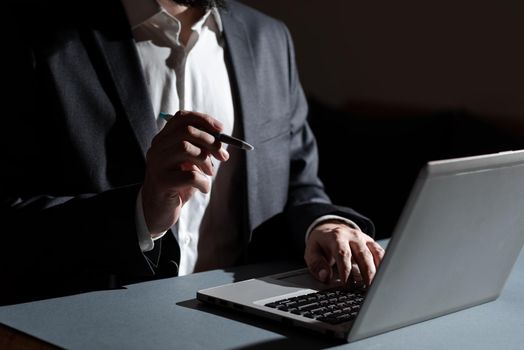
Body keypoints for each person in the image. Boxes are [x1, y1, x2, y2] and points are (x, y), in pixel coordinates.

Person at [0, 0, 384, 303]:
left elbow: (300, 185)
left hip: (243, 326)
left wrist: (325, 226)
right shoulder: (30, 31)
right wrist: (141, 213)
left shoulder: (269, 38)